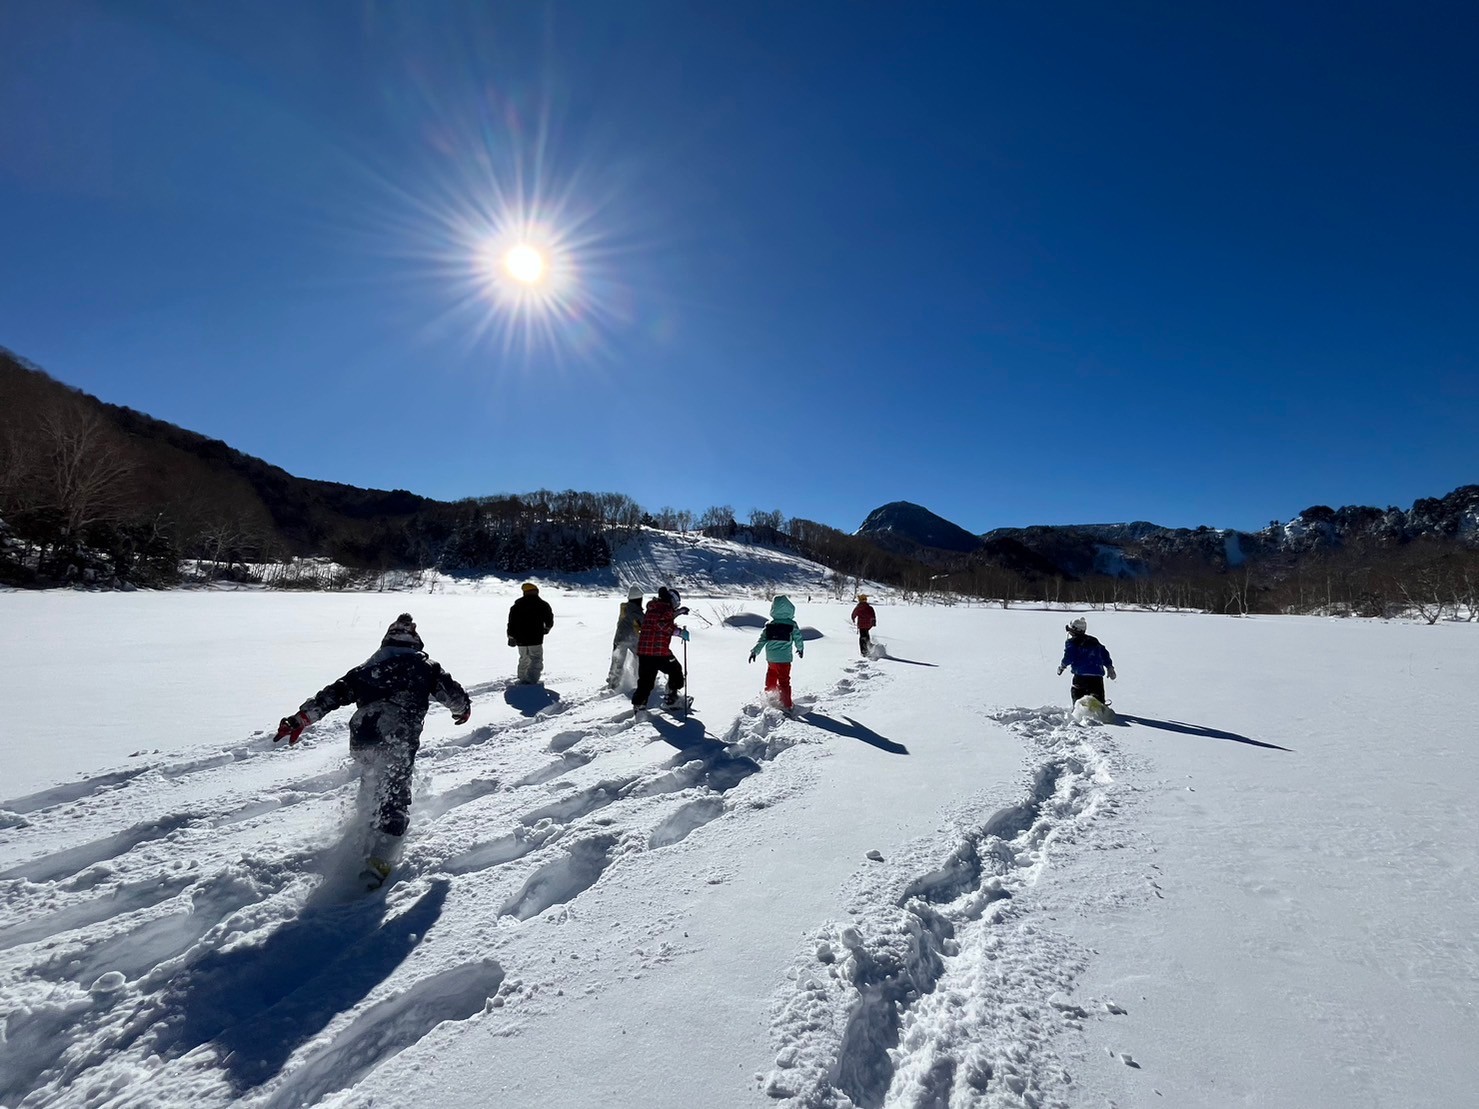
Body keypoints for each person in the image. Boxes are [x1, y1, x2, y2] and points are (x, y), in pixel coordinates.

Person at [274, 613, 470, 887]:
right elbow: (453, 695)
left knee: (372, 783)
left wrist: (301, 719)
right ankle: (379, 860)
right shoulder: (425, 666)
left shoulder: (367, 669)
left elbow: (332, 695)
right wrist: (463, 710)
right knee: (395, 795)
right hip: (396, 734)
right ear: (415, 642)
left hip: (363, 735)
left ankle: (366, 831)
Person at [632, 585, 688, 711]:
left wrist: (679, 612)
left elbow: (660, 618)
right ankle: (671, 698)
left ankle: (639, 707)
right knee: (676, 671)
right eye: (676, 604)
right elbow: (661, 624)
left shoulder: (653, 608)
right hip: (659, 652)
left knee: (645, 682)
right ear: (672, 601)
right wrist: (679, 632)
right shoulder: (666, 609)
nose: (675, 607)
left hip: (644, 652)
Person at [749, 594, 805, 711]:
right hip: (784, 659)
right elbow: (798, 638)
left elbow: (762, 640)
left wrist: (755, 651)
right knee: (784, 681)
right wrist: (800, 648)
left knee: (771, 676)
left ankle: (769, 698)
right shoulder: (791, 624)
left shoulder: (770, 625)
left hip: (771, 658)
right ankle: (787, 705)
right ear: (790, 608)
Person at [1057, 616, 1116, 706]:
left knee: (1078, 697)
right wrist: (1109, 667)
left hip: (1081, 676)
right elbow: (1104, 653)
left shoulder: (1072, 642)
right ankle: (1100, 708)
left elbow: (1069, 657)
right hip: (1097, 677)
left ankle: (1079, 710)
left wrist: (1062, 666)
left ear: (1074, 630)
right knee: (1098, 698)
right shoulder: (1094, 641)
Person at [507, 582, 555, 684]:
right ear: (536, 591)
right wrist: (547, 628)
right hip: (535, 637)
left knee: (523, 658)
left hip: (520, 638)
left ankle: (522, 677)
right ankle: (532, 680)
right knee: (536, 658)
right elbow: (549, 619)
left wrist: (511, 636)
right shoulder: (542, 604)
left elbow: (511, 622)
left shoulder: (517, 606)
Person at [607, 585, 645, 689]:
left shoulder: (625, 608)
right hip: (631, 640)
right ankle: (641, 681)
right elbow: (645, 622)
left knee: (617, 663)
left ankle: (613, 683)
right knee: (641, 659)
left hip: (619, 639)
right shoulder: (636, 611)